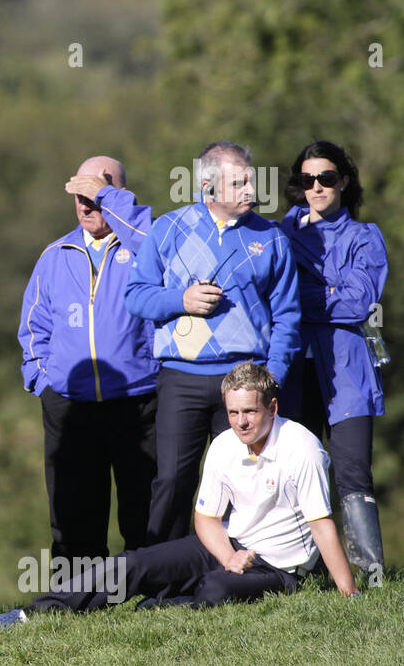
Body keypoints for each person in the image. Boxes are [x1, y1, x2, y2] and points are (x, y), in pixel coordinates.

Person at [0, 363, 358, 629]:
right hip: (229, 546)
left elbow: (322, 526)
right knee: (133, 563)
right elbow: (206, 518)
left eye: (250, 412)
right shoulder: (225, 444)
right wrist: (228, 555)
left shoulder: (303, 448)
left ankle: (161, 603)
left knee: (216, 589)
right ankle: (35, 614)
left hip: (277, 567)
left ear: (272, 407)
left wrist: (348, 594)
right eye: (234, 412)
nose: (241, 422)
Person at [126, 141, 301, 545]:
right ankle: (163, 578)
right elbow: (136, 296)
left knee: (246, 480)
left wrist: (271, 376)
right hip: (181, 378)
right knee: (172, 479)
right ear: (208, 187)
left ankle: (245, 572)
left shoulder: (271, 238)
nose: (250, 191)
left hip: (246, 379)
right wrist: (180, 300)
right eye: (238, 183)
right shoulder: (167, 228)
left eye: (250, 181)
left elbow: (288, 316)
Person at [18, 157, 159, 561]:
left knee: (144, 503)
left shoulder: (146, 248)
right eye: (79, 195)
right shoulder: (54, 254)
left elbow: (161, 251)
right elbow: (33, 328)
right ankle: (77, 595)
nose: (86, 204)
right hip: (70, 403)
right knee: (74, 508)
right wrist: (43, 381)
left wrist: (110, 198)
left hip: (138, 399)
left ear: (117, 194)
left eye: (95, 193)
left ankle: (154, 585)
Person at [278, 140, 389, 576]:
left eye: (326, 177)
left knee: (353, 470)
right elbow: (274, 299)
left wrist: (301, 295)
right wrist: (330, 291)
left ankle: (370, 573)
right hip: (294, 366)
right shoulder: (278, 236)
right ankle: (302, 572)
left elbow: (359, 303)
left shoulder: (366, 237)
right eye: (308, 180)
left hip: (348, 368)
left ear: (343, 180)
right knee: (298, 470)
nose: (317, 186)